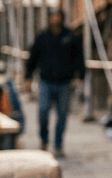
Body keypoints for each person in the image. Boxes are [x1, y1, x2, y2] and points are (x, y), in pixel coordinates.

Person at [25, 9, 85, 158]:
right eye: (53, 16)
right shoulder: (42, 36)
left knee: (62, 115)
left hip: (64, 82)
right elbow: (33, 57)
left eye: (58, 16)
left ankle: (58, 144)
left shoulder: (70, 36)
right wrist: (28, 76)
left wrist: (80, 76)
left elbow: (79, 57)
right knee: (43, 111)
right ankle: (44, 139)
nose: (55, 19)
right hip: (46, 81)